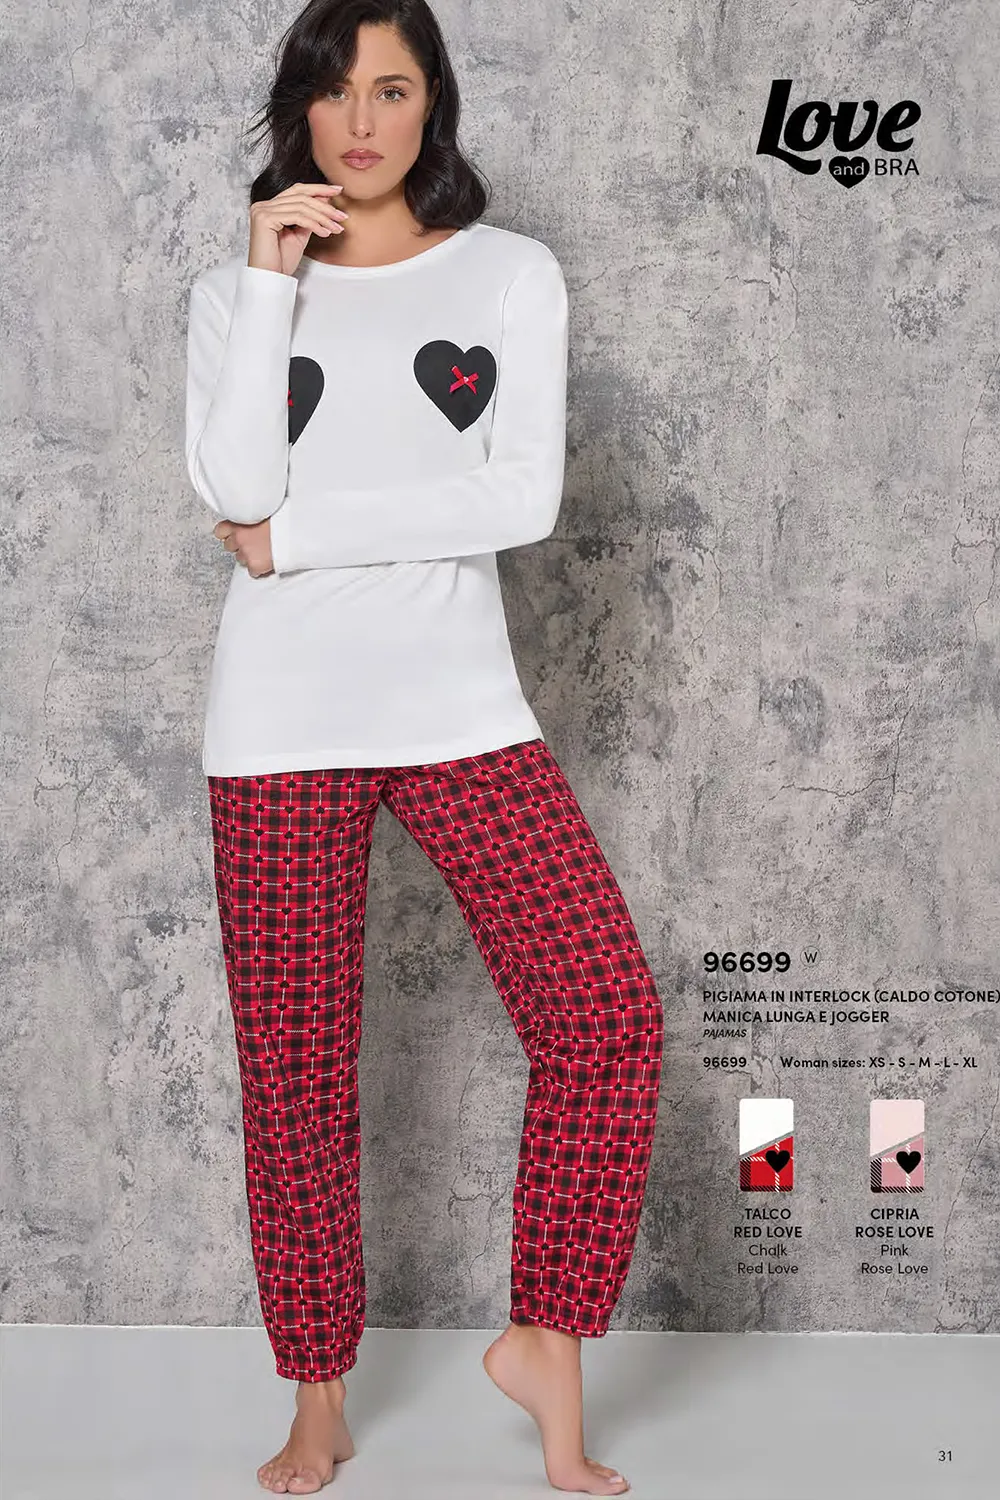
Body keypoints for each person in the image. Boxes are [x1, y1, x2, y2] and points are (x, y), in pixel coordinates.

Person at [184, 1, 664, 1493]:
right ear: (301, 110)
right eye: (335, 91)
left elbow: (518, 498)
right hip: (278, 725)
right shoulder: (233, 293)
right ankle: (318, 1397)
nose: (362, 119)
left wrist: (298, 538)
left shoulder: (510, 274)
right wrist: (268, 283)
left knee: (604, 1019)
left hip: (461, 711)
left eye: (392, 89)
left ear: (432, 103)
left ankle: (545, 1342)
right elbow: (232, 484)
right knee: (297, 1078)